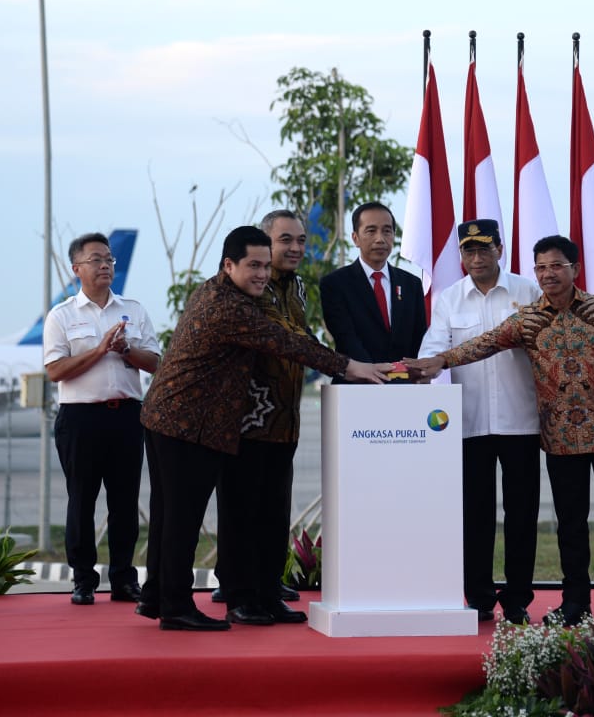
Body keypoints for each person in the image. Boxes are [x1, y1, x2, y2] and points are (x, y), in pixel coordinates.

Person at [138, 226, 390, 632]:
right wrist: (349, 367)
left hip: (177, 418)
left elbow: (294, 334)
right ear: (229, 265)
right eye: (253, 265)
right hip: (185, 422)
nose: (261, 273)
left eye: (263, 265)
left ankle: (157, 598)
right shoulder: (230, 307)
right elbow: (285, 341)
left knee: (171, 516)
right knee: (181, 519)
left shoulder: (227, 292)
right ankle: (175, 607)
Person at [407, 235, 594, 627]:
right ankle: (576, 603)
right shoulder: (528, 318)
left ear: (575, 269)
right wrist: (438, 360)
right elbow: (481, 345)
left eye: (556, 266)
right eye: (541, 267)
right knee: (571, 526)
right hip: (560, 438)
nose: (548, 274)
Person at [417, 219, 542, 625]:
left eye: (484, 250)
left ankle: (519, 597)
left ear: (500, 250)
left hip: (521, 421)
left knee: (522, 514)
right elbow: (433, 353)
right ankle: (480, 596)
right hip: (469, 424)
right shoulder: (449, 299)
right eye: (468, 251)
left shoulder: (528, 291)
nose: (476, 258)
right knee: (475, 514)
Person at [43, 232, 161, 606]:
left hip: (125, 415)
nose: (106, 265)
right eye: (96, 259)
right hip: (81, 418)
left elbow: (157, 363)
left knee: (124, 502)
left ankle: (124, 578)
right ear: (76, 268)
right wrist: (99, 350)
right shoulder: (62, 315)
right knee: (82, 500)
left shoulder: (133, 310)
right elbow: (56, 370)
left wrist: (126, 349)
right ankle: (83, 579)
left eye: (109, 259)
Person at [215, 210, 312, 625]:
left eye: (301, 241)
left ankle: (270, 592)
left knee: (275, 513)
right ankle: (239, 595)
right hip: (245, 423)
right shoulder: (247, 289)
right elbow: (289, 342)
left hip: (285, 423)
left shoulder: (300, 288)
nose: (294, 248)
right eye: (284, 240)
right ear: (263, 244)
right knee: (242, 512)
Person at [320, 201, 426, 365]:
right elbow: (346, 338)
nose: (380, 239)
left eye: (387, 231)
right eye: (371, 231)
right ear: (355, 238)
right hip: (356, 383)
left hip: (404, 384)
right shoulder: (335, 284)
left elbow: (419, 339)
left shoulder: (411, 284)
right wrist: (377, 374)